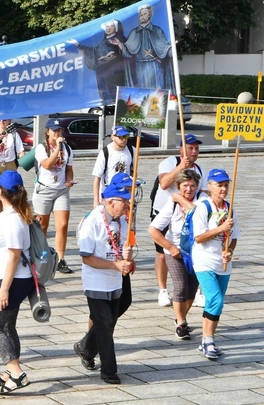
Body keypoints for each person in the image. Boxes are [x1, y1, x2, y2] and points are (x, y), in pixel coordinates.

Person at [74, 172, 135, 385]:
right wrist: (114, 264)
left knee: (110, 318)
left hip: (115, 278)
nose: (128, 203)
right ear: (110, 201)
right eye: (124, 200)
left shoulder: (121, 219)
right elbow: (86, 258)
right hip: (96, 280)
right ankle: (109, 371)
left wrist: (127, 258)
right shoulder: (93, 222)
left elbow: (122, 245)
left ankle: (86, 347)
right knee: (106, 322)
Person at [0, 170, 34, 395]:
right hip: (9, 278)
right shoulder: (9, 213)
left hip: (13, 280)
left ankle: (16, 372)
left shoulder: (14, 219)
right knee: (6, 325)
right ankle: (10, 370)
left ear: (0, 191)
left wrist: (3, 289)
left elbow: (14, 255)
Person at [150, 133, 208, 307]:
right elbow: (164, 184)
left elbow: (203, 192)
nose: (194, 152)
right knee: (162, 253)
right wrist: (180, 167)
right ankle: (162, 290)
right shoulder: (168, 162)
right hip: (165, 211)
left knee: (194, 250)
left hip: (188, 215)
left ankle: (196, 291)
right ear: (181, 149)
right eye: (190, 148)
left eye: (196, 149)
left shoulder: (199, 170)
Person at [192, 169, 240, 360]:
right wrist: (220, 228)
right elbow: (199, 237)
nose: (223, 189)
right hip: (204, 261)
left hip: (223, 263)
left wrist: (229, 252)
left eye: (226, 185)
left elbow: (234, 236)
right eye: (219, 185)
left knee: (216, 304)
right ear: (209, 187)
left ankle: (205, 339)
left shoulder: (229, 208)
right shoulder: (203, 207)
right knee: (215, 300)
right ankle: (210, 339)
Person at [148, 169, 201, 340]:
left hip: (196, 252)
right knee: (180, 286)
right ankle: (181, 323)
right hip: (175, 251)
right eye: (185, 186)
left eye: (192, 186)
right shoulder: (171, 205)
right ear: (179, 186)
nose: (189, 190)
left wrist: (180, 199)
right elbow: (153, 230)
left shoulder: (202, 201)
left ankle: (180, 316)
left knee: (192, 291)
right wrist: (170, 247)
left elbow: (198, 213)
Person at [33, 118, 76, 274]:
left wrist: (69, 179)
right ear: (47, 132)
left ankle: (60, 259)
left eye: (60, 131)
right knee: (42, 227)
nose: (58, 133)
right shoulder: (41, 148)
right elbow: (47, 165)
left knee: (63, 225)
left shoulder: (68, 149)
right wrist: (57, 149)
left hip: (61, 190)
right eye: (54, 131)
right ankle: (42, 256)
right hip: (44, 190)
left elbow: (69, 168)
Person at [68, 20, 131, 105]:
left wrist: (115, 51)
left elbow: (127, 52)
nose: (108, 28)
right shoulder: (100, 43)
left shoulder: (120, 39)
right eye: (107, 26)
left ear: (116, 28)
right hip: (102, 72)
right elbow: (92, 52)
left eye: (111, 26)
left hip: (115, 72)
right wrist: (78, 45)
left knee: (117, 93)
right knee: (105, 93)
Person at [0, 119, 26, 216]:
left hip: (10, 166)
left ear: (9, 121)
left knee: (12, 198)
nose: (2, 121)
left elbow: (20, 151)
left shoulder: (14, 135)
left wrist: (25, 159)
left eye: (5, 119)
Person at [91, 126, 134, 208]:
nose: (124, 139)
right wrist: (96, 201)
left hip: (125, 193)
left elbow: (134, 171)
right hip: (109, 193)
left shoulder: (132, 150)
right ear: (113, 137)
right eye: (120, 137)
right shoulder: (105, 152)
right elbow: (97, 178)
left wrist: (132, 194)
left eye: (126, 136)